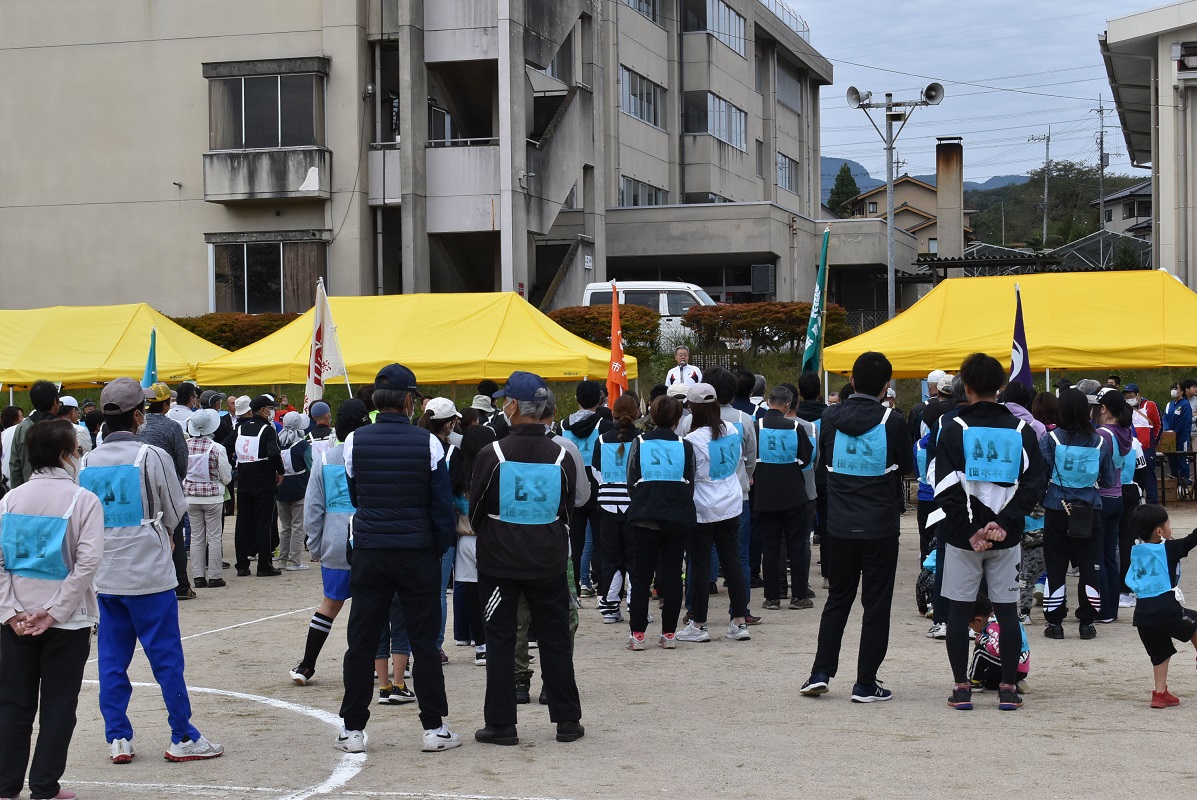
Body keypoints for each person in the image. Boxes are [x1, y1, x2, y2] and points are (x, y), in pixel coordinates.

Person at [79, 378, 223, 764]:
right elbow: (175, 509)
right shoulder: (150, 455)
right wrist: (162, 532)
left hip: (106, 572)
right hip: (148, 570)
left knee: (111, 658)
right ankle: (182, 734)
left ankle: (119, 737)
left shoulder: (87, 461)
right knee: (166, 658)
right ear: (139, 415)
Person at [336, 364, 459, 754]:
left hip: (371, 549)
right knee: (423, 641)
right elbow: (441, 506)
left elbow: (357, 497)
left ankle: (352, 729)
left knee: (361, 640)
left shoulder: (354, 440)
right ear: (409, 401)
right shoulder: (429, 443)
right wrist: (437, 549)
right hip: (417, 551)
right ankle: (433, 728)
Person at [469, 371, 584, 746]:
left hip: (499, 560)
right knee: (555, 638)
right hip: (548, 556)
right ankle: (567, 720)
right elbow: (569, 506)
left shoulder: (493, 453)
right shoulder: (562, 452)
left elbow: (475, 511)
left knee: (500, 639)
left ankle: (502, 725)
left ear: (513, 406)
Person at [931, 353, 1044, 712]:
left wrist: (971, 530)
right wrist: (1005, 522)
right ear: (1000, 387)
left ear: (964, 386)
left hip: (963, 537)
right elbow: (1033, 483)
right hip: (1005, 537)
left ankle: (961, 688)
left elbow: (946, 485)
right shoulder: (1022, 429)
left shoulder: (953, 428)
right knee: (1007, 611)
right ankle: (1008, 688)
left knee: (958, 613)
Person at [800, 351, 913, 703]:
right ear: (886, 386)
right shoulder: (893, 421)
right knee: (876, 604)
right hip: (880, 524)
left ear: (851, 381)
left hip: (839, 523)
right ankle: (865, 683)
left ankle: (820, 671)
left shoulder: (830, 417)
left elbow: (824, 462)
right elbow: (907, 466)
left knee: (838, 598)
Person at [0, 419, 104, 800]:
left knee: (13, 703)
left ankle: (6, 784)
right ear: (67, 454)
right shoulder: (83, 499)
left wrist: (10, 611)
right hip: (68, 620)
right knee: (59, 705)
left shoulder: (10, 499)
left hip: (16, 620)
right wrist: (56, 611)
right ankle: (44, 785)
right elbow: (87, 563)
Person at [290, 400, 371, 686]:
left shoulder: (325, 459)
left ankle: (306, 665)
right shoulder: (375, 456)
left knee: (330, 604)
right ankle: (380, 663)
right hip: (372, 538)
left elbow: (313, 507)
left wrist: (315, 545)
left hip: (335, 540)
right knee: (376, 606)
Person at [680, 367, 758, 624]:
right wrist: (744, 479)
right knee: (736, 559)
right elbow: (749, 459)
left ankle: (696, 615)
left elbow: (686, 468)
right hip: (735, 498)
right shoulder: (739, 424)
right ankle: (739, 615)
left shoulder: (690, 432)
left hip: (702, 504)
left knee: (699, 563)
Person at [1039, 388, 1117, 640]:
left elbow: (1041, 475)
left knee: (1055, 565)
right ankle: (1087, 622)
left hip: (1056, 509)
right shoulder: (1102, 442)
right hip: (1089, 510)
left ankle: (1055, 623)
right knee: (1089, 565)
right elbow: (1106, 480)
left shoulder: (1050, 439)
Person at [624, 395, 696, 649]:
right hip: (676, 515)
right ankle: (668, 634)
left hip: (645, 514)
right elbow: (690, 481)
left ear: (651, 417)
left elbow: (631, 479)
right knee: (673, 575)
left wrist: (644, 499)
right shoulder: (684, 445)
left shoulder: (640, 441)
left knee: (641, 576)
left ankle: (638, 633)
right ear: (678, 420)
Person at [1125, 504, 1197, 707]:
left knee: (1160, 653)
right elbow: (1192, 540)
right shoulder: (1169, 549)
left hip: (1143, 616)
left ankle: (1160, 694)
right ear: (1159, 531)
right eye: (1168, 523)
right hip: (1167, 610)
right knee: (1195, 622)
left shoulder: (1136, 551)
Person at [755, 385, 814, 611]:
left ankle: (772, 597)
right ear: (788, 405)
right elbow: (807, 458)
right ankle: (799, 596)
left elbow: (750, 456)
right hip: (793, 492)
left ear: (769, 402)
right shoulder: (795, 426)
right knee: (796, 545)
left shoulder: (756, 426)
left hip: (765, 493)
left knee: (770, 545)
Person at [448, 425, 497, 668]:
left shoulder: (460, 468)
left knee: (471, 594)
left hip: (465, 537)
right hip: (493, 536)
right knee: (496, 591)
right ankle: (494, 641)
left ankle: (480, 646)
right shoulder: (495, 466)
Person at [559, 381, 613, 598]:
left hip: (571, 482)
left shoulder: (562, 425)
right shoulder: (605, 425)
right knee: (600, 540)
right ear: (600, 400)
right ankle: (602, 587)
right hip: (598, 483)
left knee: (575, 540)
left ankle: (575, 587)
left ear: (576, 399)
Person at [138, 382, 192, 601]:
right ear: (166, 404)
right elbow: (182, 461)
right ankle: (181, 586)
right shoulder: (171, 427)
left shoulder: (140, 424)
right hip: (168, 488)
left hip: (141, 489)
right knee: (175, 536)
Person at [592, 394, 641, 624]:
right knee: (635, 556)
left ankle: (609, 608)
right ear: (637, 414)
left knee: (610, 557)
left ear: (612, 412)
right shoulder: (642, 439)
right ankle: (635, 604)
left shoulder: (602, 440)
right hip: (635, 504)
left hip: (608, 504)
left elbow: (596, 472)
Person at [419, 397, 462, 658]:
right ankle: (435, 646)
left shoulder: (413, 443)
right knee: (438, 592)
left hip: (415, 525)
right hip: (442, 526)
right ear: (449, 424)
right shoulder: (454, 450)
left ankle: (409, 647)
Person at [1093, 388, 1139, 622]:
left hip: (1101, 497)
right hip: (1118, 497)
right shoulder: (1125, 432)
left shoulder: (1102, 434)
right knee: (1111, 555)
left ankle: (1102, 609)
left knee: (1099, 556)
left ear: (1103, 409)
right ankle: (1111, 608)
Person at [227, 395, 284, 578]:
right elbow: (274, 453)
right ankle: (264, 565)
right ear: (262, 410)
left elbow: (225, 446)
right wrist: (280, 471)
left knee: (242, 523)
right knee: (264, 524)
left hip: (244, 480)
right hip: (263, 481)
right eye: (270, 408)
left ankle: (242, 565)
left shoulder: (240, 428)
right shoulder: (268, 430)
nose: (272, 411)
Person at [184, 409, 232, 589]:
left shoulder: (185, 446)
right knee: (214, 537)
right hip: (212, 497)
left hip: (191, 496)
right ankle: (214, 576)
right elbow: (226, 476)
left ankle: (197, 576)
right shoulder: (217, 448)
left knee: (196, 537)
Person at [966, 596, 1031, 693]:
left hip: (1014, 665)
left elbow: (996, 649)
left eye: (970, 626)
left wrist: (981, 639)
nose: (971, 629)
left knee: (980, 651)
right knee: (989, 681)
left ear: (978, 620)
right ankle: (1015, 682)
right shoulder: (1005, 618)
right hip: (1021, 668)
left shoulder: (993, 625)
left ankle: (974, 681)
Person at [276, 411, 312, 572]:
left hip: (281, 488)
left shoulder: (278, 443)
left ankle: (283, 558)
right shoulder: (304, 446)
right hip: (299, 488)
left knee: (285, 526)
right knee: (298, 526)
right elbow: (311, 467)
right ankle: (294, 560)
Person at [8, 381, 59, 490]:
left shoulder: (22, 428)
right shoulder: (62, 428)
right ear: (55, 401)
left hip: (27, 491)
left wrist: (17, 492)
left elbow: (15, 466)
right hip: (58, 492)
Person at [1164, 381, 1193, 489]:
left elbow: (1184, 422)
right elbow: (1165, 419)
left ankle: (1184, 484)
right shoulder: (1169, 405)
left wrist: (1175, 431)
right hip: (1170, 437)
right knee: (1172, 460)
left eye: (1176, 388)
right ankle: (1174, 481)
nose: (1173, 391)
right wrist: (1167, 430)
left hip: (1182, 437)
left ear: (1181, 391)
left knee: (1182, 459)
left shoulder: (1185, 405)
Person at [0, 405, 24, 487]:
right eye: (21, 417)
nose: (23, 419)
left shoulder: (3, 434)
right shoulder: (17, 432)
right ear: (13, 420)